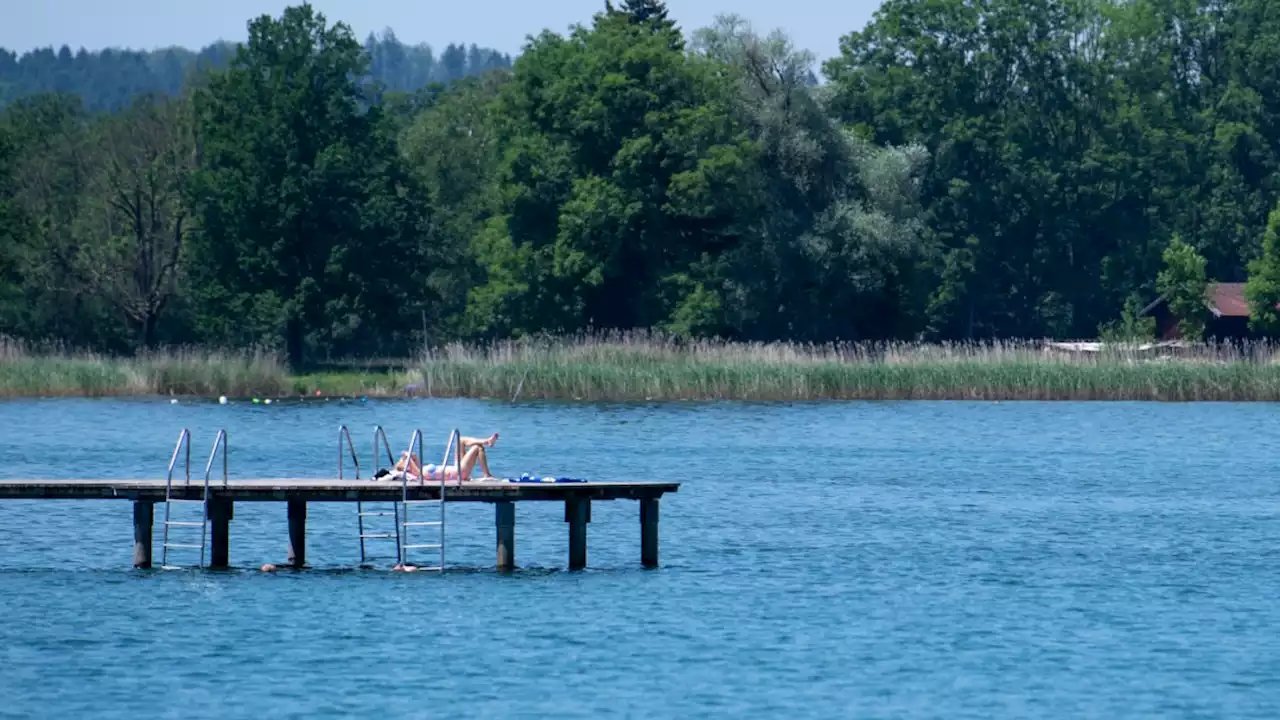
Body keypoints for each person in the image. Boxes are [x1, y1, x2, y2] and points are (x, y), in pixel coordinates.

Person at [395, 432, 498, 482]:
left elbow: (415, 457)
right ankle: (487, 475)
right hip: (459, 473)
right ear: (407, 467)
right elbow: (416, 469)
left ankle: (487, 441)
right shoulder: (418, 474)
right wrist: (407, 457)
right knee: (477, 448)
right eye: (406, 462)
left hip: (457, 468)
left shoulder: (419, 468)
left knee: (460, 440)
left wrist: (408, 455)